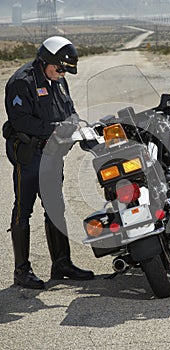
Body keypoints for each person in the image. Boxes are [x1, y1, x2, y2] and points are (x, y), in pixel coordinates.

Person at [3, 36, 94, 289]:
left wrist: (80, 127)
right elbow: (21, 122)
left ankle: (61, 264)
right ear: (46, 61)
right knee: (23, 210)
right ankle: (21, 271)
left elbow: (69, 111)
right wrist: (56, 128)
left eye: (66, 70)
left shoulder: (58, 81)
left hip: (53, 156)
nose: (63, 73)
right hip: (30, 156)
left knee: (55, 207)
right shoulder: (22, 82)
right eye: (60, 68)